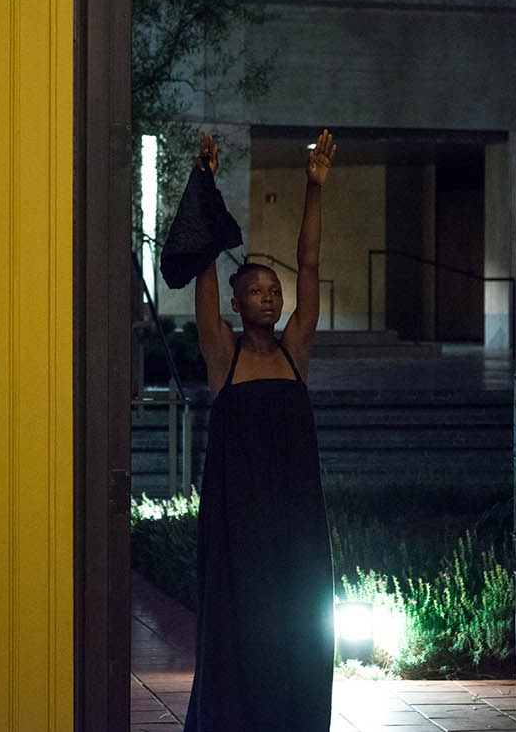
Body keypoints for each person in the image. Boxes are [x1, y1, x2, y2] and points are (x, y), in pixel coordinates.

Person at [183, 129, 337, 732]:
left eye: (273, 292)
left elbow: (310, 262)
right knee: (239, 631)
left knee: (299, 629)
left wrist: (313, 188)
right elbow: (202, 271)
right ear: (238, 301)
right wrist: (205, 186)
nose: (269, 298)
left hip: (296, 524)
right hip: (239, 525)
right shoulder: (225, 356)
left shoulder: (296, 348)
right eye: (255, 292)